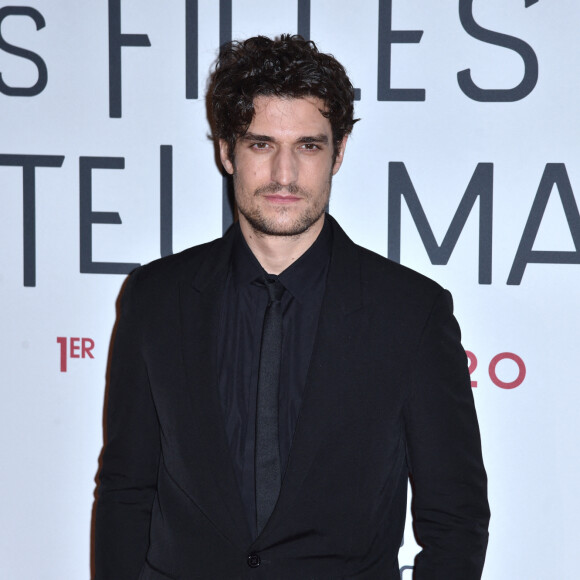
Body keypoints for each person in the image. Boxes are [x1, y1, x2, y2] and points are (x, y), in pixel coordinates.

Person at [95, 34, 489, 579]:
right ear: (226, 151)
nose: (284, 175)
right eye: (261, 144)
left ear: (339, 152)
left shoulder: (411, 312)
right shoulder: (156, 297)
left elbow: (455, 518)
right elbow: (126, 488)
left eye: (308, 145)